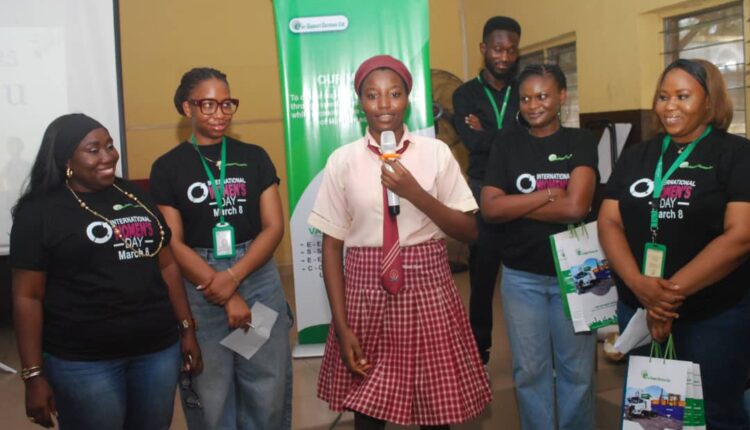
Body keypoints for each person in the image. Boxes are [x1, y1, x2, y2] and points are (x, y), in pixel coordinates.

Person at [312, 55, 491, 430]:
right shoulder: (342, 161)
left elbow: (470, 231)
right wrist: (342, 327)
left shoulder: (436, 153)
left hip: (427, 289)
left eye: (394, 94)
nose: (384, 104)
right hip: (365, 293)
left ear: (408, 99)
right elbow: (331, 247)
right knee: (368, 410)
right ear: (360, 102)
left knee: (435, 407)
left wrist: (415, 194)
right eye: (372, 95)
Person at [10, 113, 202, 429]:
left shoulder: (134, 195)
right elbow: (27, 297)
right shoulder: (39, 211)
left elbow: (167, 264)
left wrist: (187, 328)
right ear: (66, 159)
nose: (108, 156)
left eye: (110, 146)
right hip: (84, 362)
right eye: (93, 149)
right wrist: (33, 375)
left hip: (156, 350)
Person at [598, 58, 750, 429]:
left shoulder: (736, 153)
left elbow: (741, 235)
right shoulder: (637, 155)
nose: (670, 106)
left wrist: (665, 298)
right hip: (639, 308)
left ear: (710, 101)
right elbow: (609, 221)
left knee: (715, 413)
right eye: (663, 96)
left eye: (683, 96)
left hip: (713, 316)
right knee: (653, 415)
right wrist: (639, 286)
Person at [149, 67, 292, 429]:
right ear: (187, 108)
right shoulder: (168, 167)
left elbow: (274, 227)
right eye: (208, 104)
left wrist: (234, 277)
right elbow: (172, 241)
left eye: (227, 103)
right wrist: (225, 290)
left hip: (256, 279)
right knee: (211, 394)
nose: (220, 113)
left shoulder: (254, 157)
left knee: (265, 386)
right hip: (199, 284)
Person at [481, 64, 598, 430]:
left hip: (578, 271)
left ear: (562, 96)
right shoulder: (507, 143)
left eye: (543, 96)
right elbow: (490, 209)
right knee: (529, 371)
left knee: (577, 372)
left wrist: (515, 205)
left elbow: (576, 208)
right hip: (522, 277)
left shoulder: (580, 141)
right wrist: (549, 195)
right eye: (526, 98)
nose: (533, 105)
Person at [452, 16, 522, 365]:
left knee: (527, 272)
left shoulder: (524, 88)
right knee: (482, 277)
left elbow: (529, 140)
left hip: (524, 190)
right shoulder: (465, 94)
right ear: (483, 48)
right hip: (483, 191)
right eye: (497, 49)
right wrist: (512, 134)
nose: (504, 57)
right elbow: (472, 142)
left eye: (511, 50)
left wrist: (489, 132)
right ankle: (479, 353)